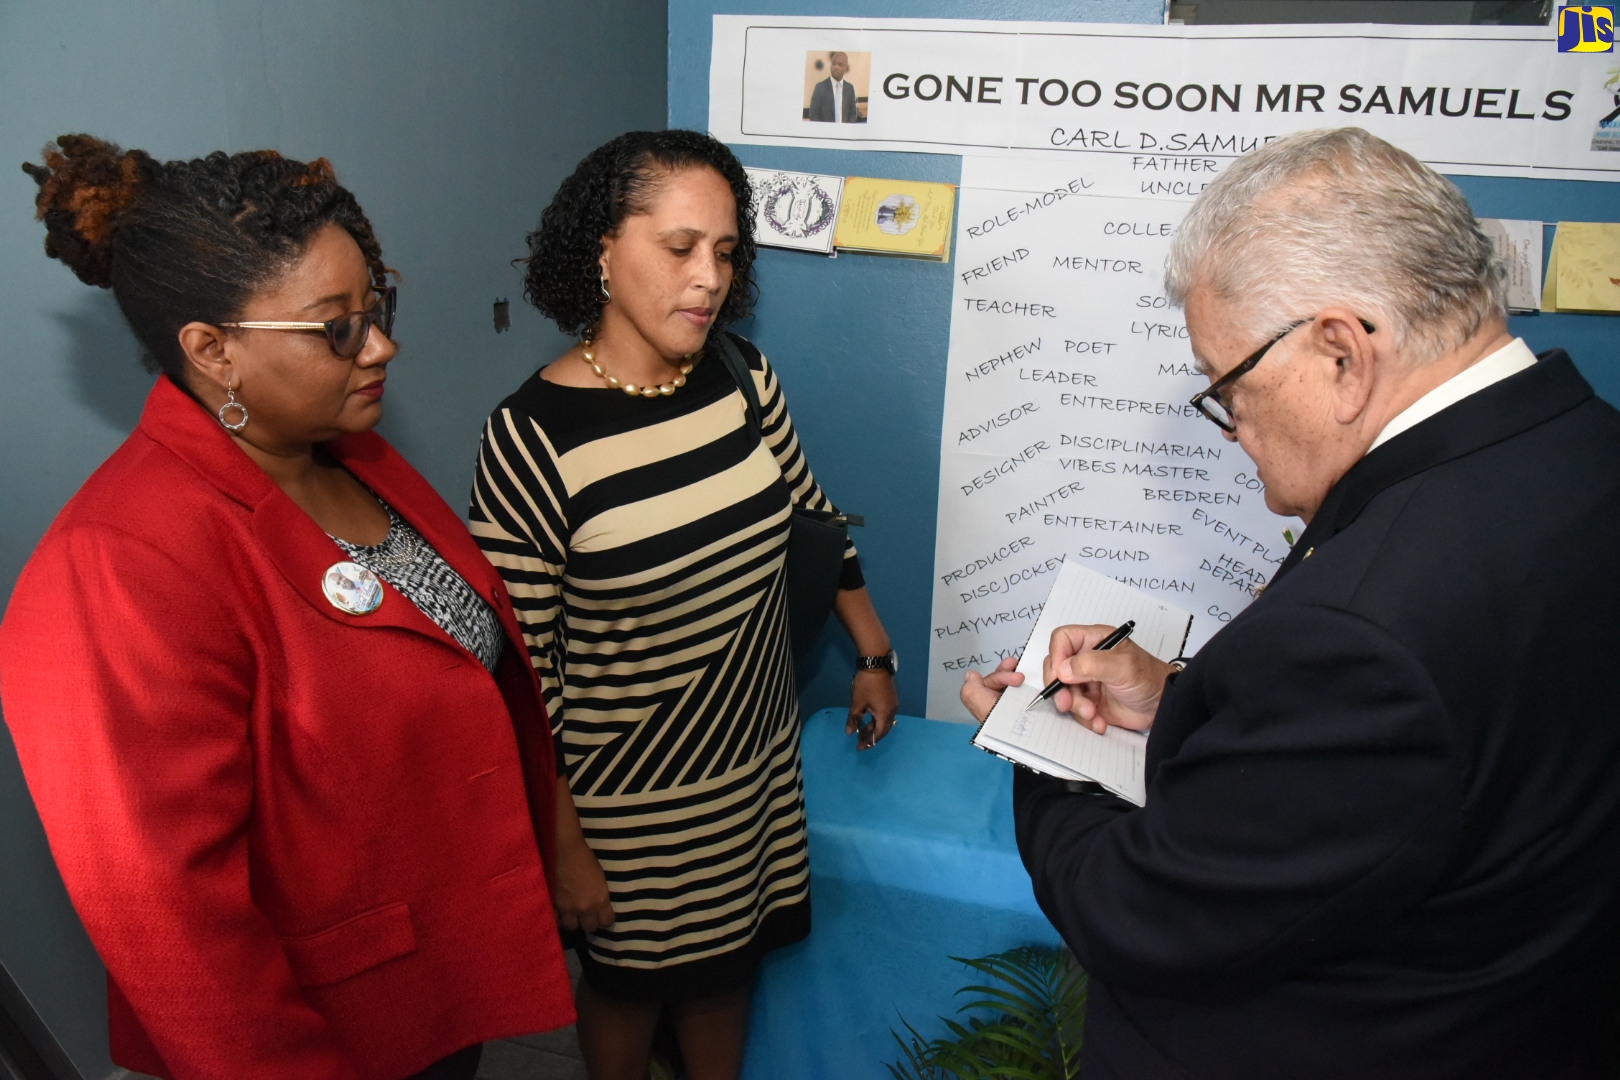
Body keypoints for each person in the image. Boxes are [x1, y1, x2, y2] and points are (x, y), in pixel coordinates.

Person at [961, 127, 1620, 1079]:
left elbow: (1139, 914)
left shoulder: (1364, 630)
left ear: (1342, 354)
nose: (1232, 432)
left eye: (1228, 387)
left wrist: (1048, 748)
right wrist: (1180, 698)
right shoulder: (1582, 451)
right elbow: (1435, 760)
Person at [0, 136, 574, 1080]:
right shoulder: (117, 566)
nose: (381, 345)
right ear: (213, 350)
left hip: (433, 989)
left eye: (377, 307)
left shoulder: (353, 459)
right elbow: (169, 919)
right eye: (337, 328)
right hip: (314, 1036)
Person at [470, 129, 898, 1080]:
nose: (707, 277)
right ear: (602, 252)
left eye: (726, 251)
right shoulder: (532, 437)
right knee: (630, 995)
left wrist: (871, 651)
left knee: (723, 978)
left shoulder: (741, 377)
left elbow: (811, 520)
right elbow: (520, 666)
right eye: (678, 248)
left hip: (749, 767)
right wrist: (565, 845)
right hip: (629, 807)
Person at [807, 52, 859, 123]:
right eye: (833, 64)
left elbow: (852, 114)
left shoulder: (850, 88)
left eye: (840, 65)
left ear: (845, 68)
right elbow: (813, 115)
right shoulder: (820, 87)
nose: (836, 67)